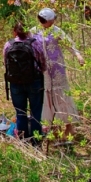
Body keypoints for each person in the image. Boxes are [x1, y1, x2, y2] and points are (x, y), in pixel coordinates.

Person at [34, 8, 81, 139]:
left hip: (57, 71)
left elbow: (69, 43)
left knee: (61, 97)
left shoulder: (56, 31)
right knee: (47, 97)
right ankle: (54, 129)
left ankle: (69, 129)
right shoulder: (34, 31)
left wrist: (78, 55)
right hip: (43, 72)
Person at [2, 25, 47, 142]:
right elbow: (43, 64)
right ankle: (36, 141)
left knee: (20, 112)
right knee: (36, 112)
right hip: (34, 82)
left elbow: (5, 64)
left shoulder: (8, 45)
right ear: (28, 31)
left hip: (15, 83)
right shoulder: (35, 44)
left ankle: (23, 141)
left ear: (14, 32)